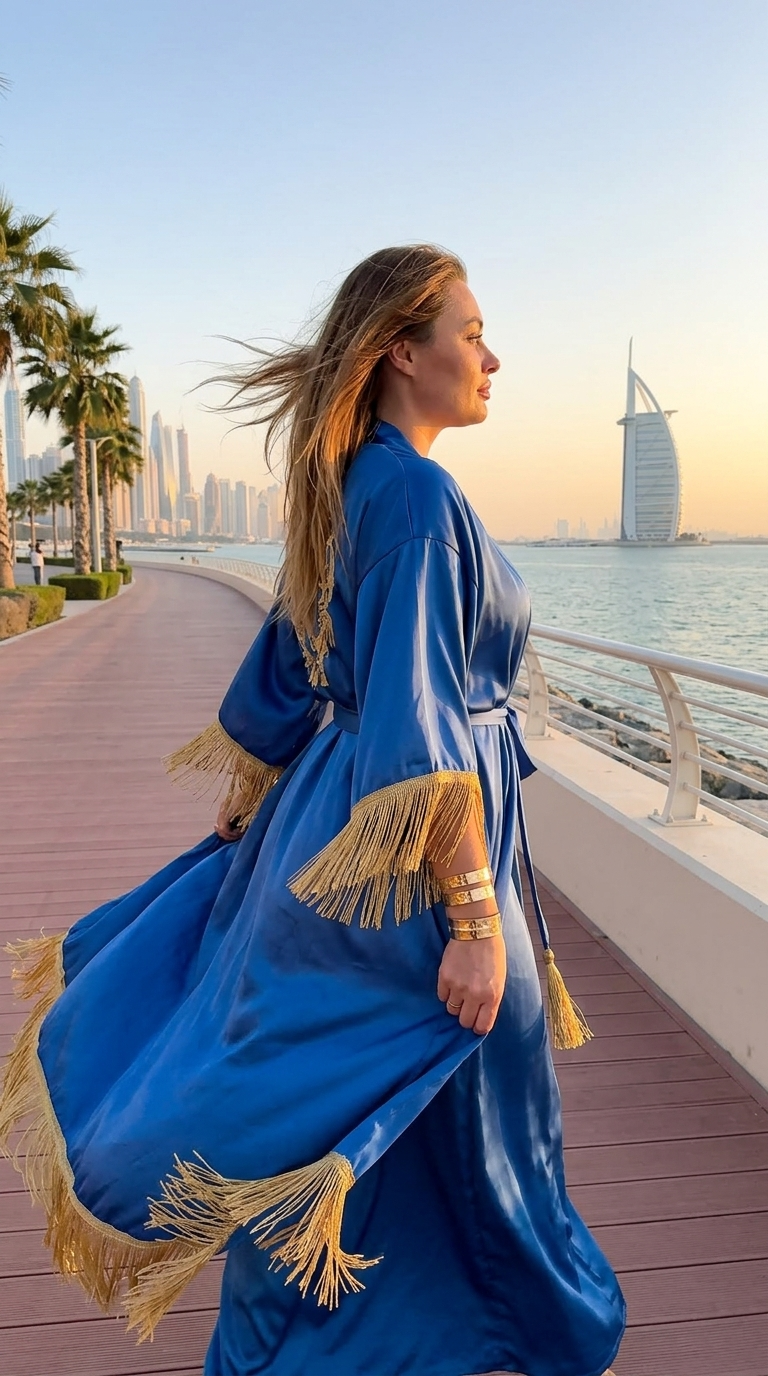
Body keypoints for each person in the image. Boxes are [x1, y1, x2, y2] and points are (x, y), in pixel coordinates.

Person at [0, 245, 624, 1376]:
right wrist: (478, 922)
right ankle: (478, 1326)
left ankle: (366, 1336)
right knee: (476, 1083)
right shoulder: (421, 499)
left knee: (365, 1102)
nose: (493, 356)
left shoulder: (359, 483)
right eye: (471, 332)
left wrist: (259, 806)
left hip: (336, 821)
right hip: (415, 853)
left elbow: (297, 655)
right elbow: (422, 730)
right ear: (403, 350)